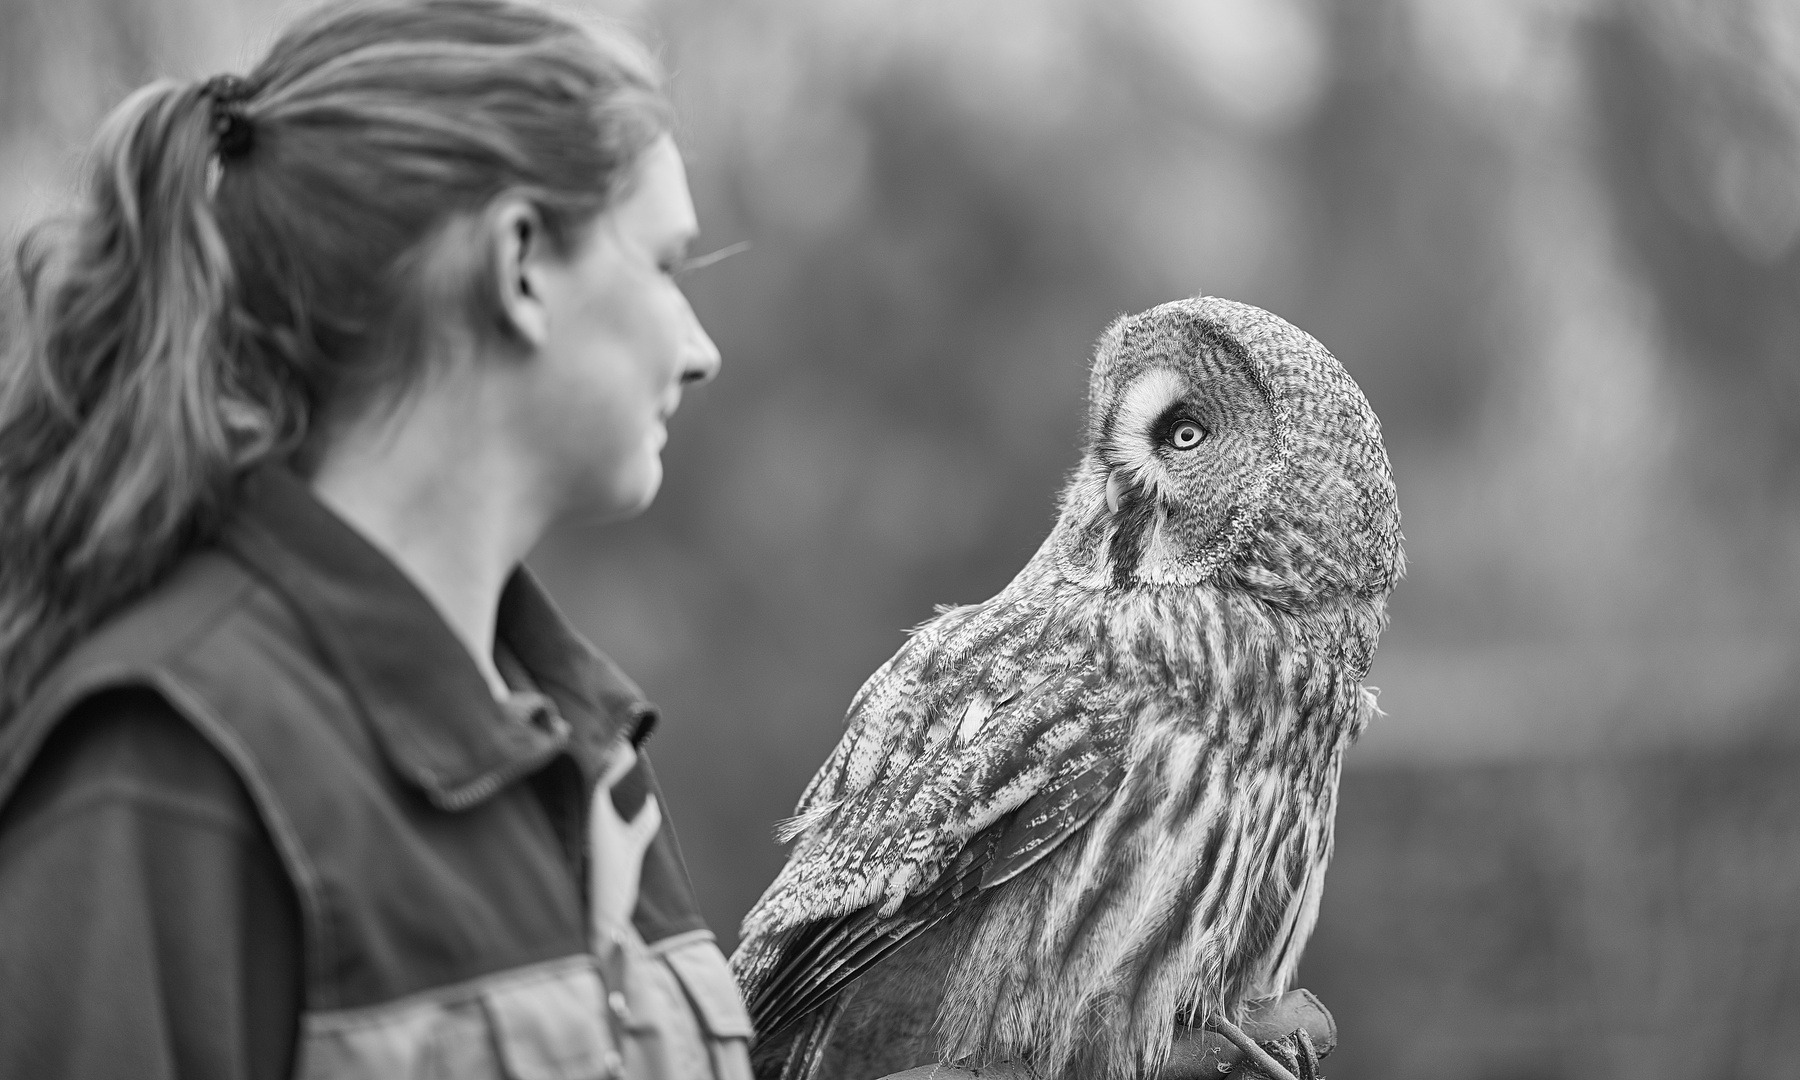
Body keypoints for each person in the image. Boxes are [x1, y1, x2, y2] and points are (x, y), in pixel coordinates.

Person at [0, 1, 751, 1077]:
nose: (700, 349)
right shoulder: (170, 769)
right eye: (668, 264)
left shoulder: (591, 757)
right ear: (522, 263)